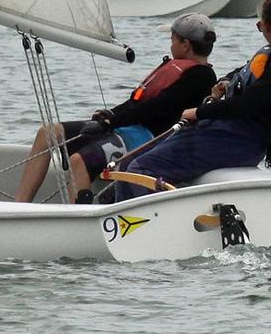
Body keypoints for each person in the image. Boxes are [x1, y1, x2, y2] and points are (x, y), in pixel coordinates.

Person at [115, 0, 271, 201]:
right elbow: (245, 72)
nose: (261, 32)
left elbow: (249, 104)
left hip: (240, 141)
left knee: (141, 170)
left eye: (260, 26)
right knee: (128, 164)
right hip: (226, 133)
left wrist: (198, 112)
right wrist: (226, 83)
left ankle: (135, 229)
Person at [14, 13, 217, 204]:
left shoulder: (201, 77)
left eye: (173, 39)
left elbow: (156, 108)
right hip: (126, 127)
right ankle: (20, 206)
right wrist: (110, 114)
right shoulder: (176, 67)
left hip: (147, 138)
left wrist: (112, 121)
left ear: (186, 45)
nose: (171, 44)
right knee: (48, 132)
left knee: (78, 161)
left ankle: (77, 220)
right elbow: (137, 103)